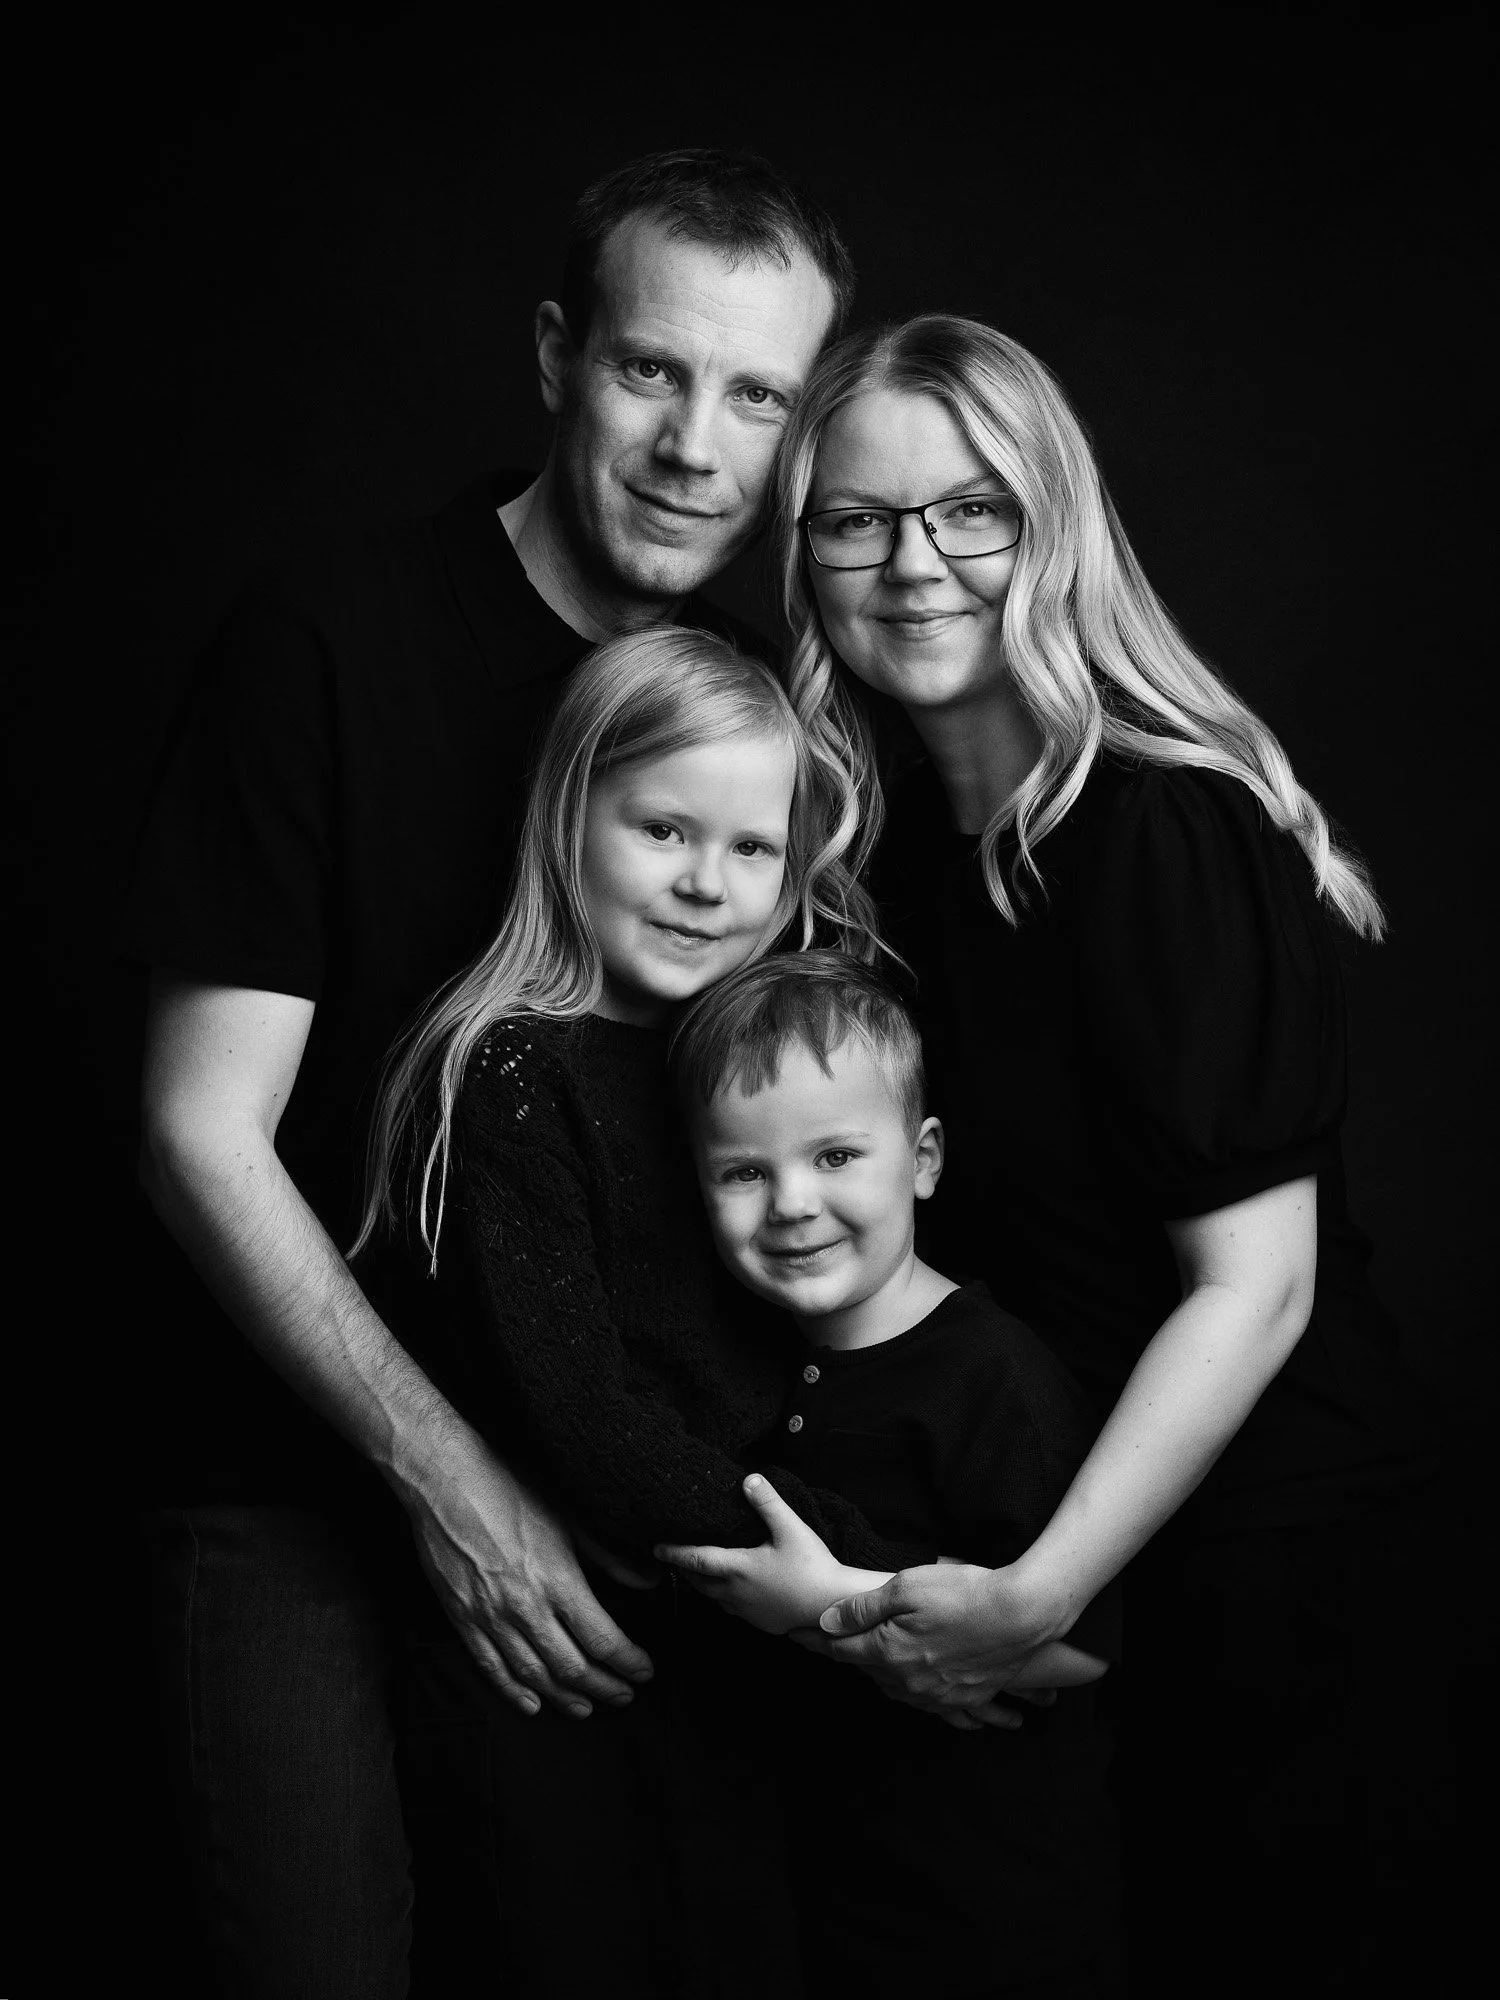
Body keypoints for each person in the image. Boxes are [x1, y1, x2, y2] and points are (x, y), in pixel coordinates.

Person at [124, 147, 854, 1998]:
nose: (699, 444)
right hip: (313, 1478)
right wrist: (449, 1484)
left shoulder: (759, 715)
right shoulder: (330, 647)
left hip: (620, 1496)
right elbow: (196, 1128)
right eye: (651, 371)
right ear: (556, 353)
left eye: (758, 396)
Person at [765, 315, 1447, 1993]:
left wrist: (1036, 1587)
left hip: (1257, 1558)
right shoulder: (897, 856)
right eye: (855, 520)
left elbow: (1258, 1289)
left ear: (1050, 529)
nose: (914, 562)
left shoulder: (1159, 823)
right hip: (1078, 1546)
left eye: (971, 510)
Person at [356, 631, 930, 1996]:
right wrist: (856, 1594)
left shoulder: (740, 1065)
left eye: (750, 851)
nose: (704, 885)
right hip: (562, 1671)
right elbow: (588, 1417)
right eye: (664, 830)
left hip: (726, 1647)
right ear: (571, 819)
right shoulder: (509, 1067)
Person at [660, 949, 1122, 1998]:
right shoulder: (745, 1363)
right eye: (743, 1170)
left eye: (834, 1155)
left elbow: (1081, 1650)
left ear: (921, 1158)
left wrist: (823, 1618)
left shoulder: (994, 1375)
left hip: (983, 1909)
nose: (790, 1202)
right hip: (818, 1885)